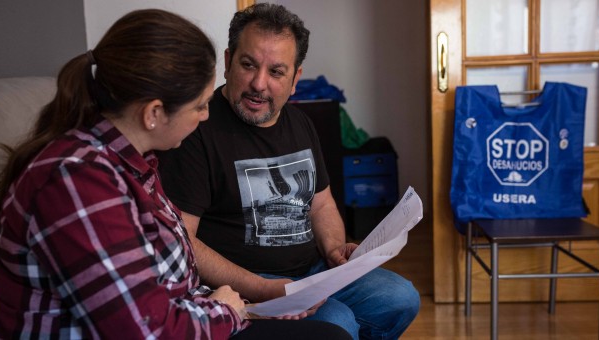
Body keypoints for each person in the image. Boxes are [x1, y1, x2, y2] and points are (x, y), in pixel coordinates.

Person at [0, 9, 350, 339]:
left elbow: (160, 289)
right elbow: (146, 330)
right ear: (154, 114)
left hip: (198, 312)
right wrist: (230, 311)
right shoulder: (76, 183)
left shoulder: (133, 165)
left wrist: (235, 306)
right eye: (200, 105)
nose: (206, 115)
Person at [157, 3, 420, 339]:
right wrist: (263, 289)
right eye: (248, 65)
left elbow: (321, 204)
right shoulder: (196, 128)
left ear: (296, 78)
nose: (258, 84)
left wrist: (334, 249)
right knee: (339, 323)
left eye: (276, 72)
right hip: (245, 281)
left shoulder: (300, 122)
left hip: (312, 272)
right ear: (227, 62)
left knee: (400, 298)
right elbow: (183, 242)